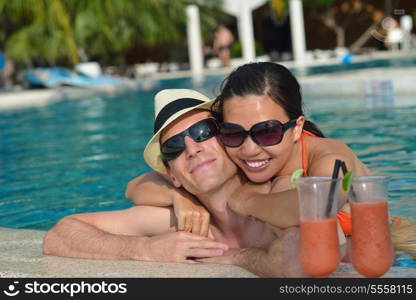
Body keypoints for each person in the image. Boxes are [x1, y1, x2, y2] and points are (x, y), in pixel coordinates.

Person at [43, 89, 305, 277]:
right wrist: (145, 248)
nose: (191, 148)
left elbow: (296, 259)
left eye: (203, 132)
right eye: (173, 146)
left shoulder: (275, 194)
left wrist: (235, 257)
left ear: (229, 138)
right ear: (172, 176)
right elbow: (59, 235)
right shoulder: (183, 222)